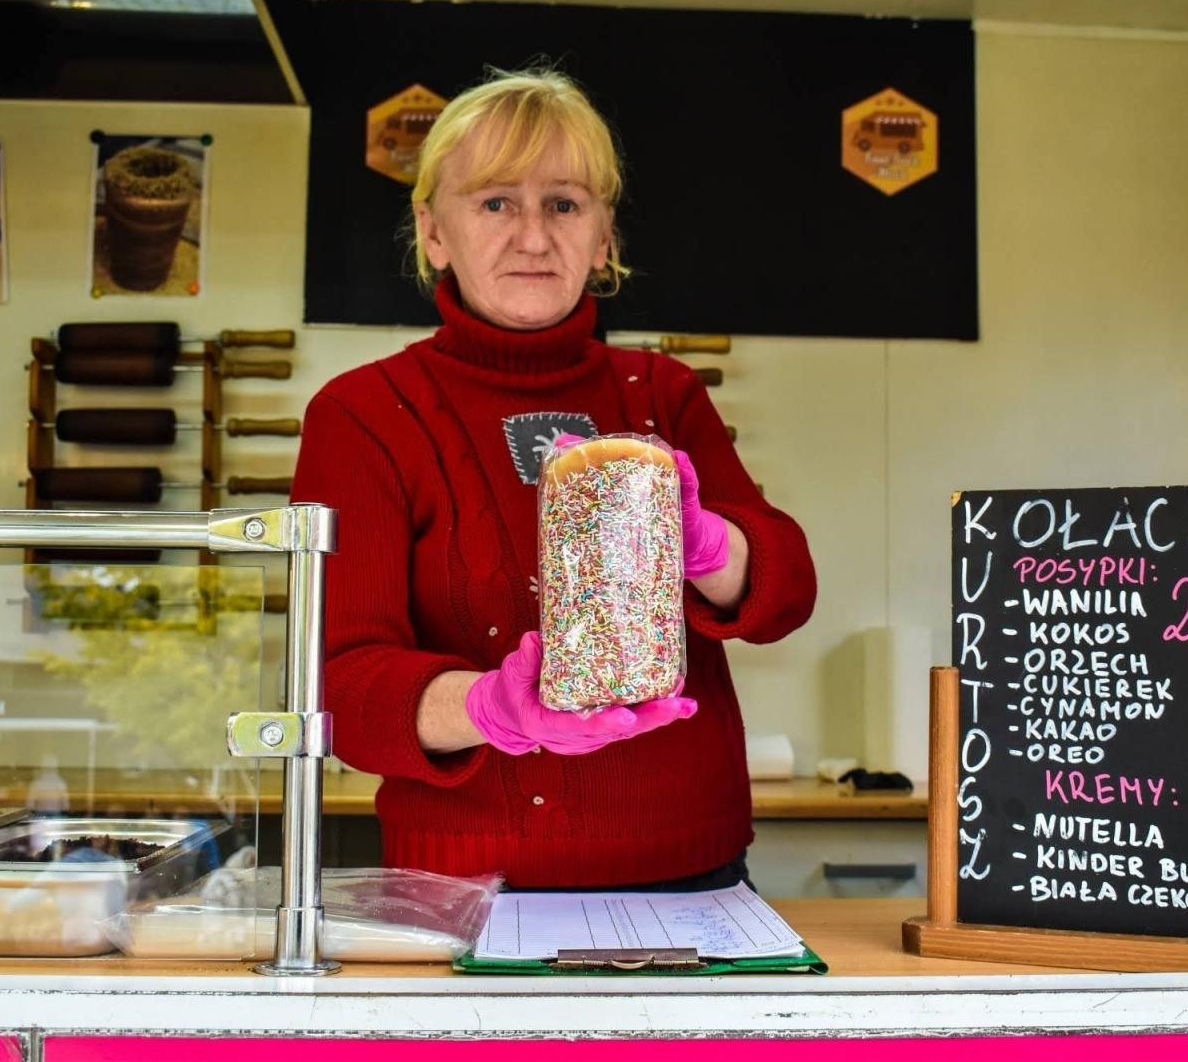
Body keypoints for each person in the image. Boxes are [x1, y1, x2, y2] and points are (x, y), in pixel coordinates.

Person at [290, 67, 817, 889]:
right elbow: (342, 682)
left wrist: (711, 547)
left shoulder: (663, 393)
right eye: (495, 202)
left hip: (693, 874)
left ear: (603, 236)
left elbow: (787, 597)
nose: (533, 236)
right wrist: (487, 708)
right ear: (434, 231)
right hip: (466, 886)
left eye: (564, 204)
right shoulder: (364, 413)